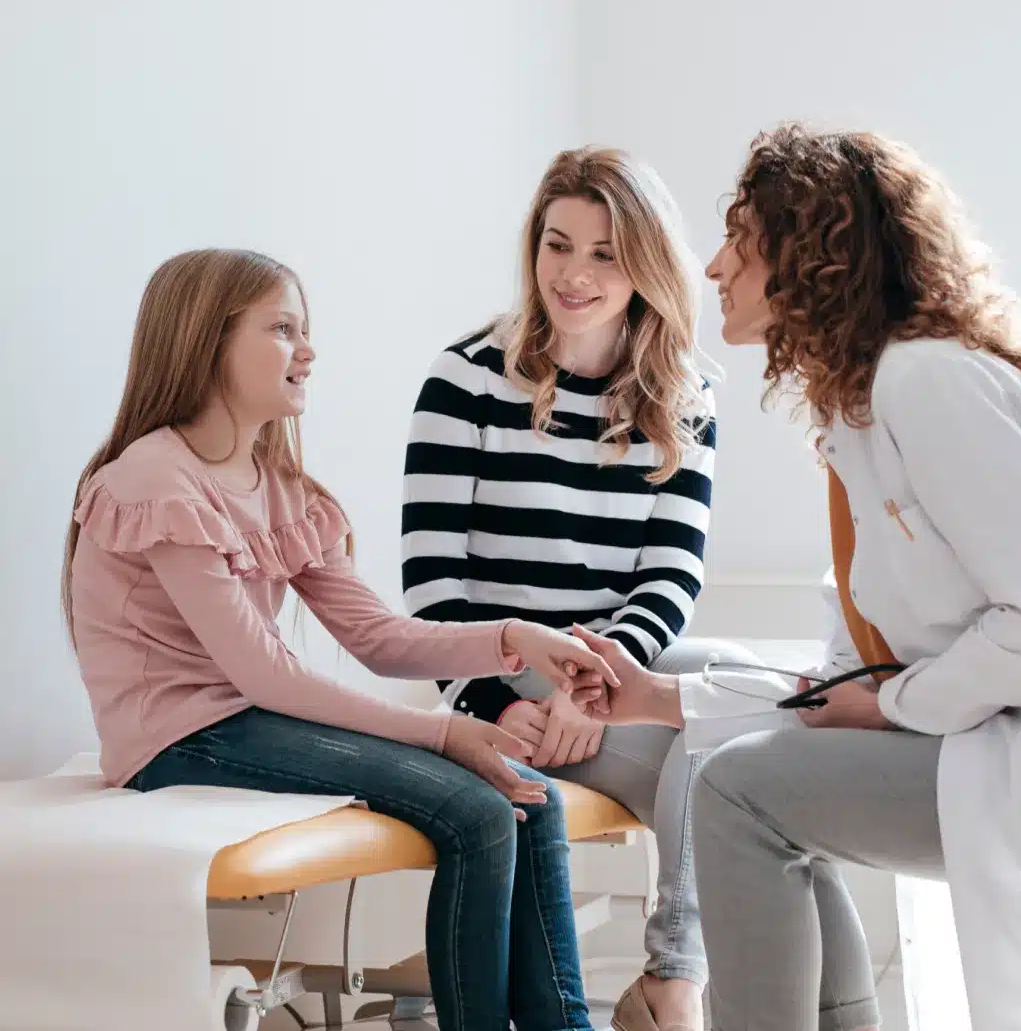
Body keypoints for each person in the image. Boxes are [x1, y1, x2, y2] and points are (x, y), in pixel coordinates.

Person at [573, 123, 1021, 1031]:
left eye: (742, 239)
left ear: (810, 256)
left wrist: (887, 706)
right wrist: (657, 699)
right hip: (987, 742)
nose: (714, 266)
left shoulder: (926, 385)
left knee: (737, 792)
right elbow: (847, 686)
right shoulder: (859, 415)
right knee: (751, 781)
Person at [62, 248, 621, 1031]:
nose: (309, 351)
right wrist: (446, 731)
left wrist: (515, 639)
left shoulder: (280, 485)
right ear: (207, 342)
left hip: (246, 722)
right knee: (481, 811)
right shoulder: (156, 478)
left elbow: (380, 639)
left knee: (533, 798)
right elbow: (265, 676)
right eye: (283, 329)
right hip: (175, 739)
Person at [401, 146, 769, 1031]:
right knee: (723, 755)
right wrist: (490, 699)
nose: (573, 274)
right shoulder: (466, 382)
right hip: (511, 662)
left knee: (748, 695)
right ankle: (674, 993)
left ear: (644, 262)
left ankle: (672, 976)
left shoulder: (687, 392)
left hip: (616, 666)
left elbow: (672, 572)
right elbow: (432, 584)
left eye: (604, 253)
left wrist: (609, 679)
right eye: (557, 244)